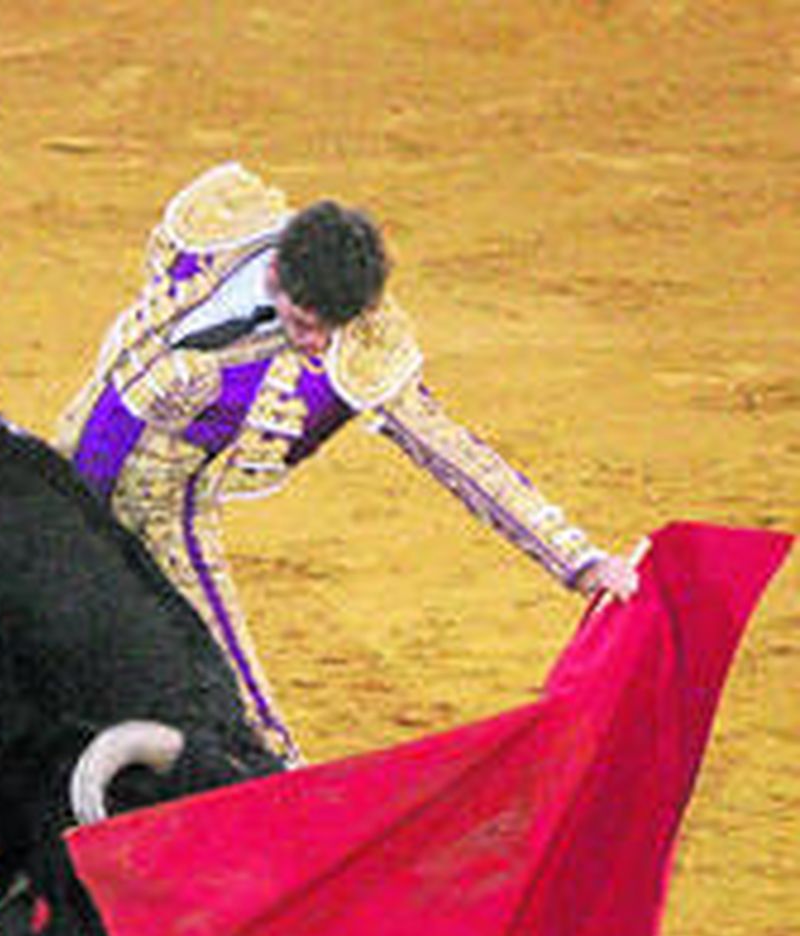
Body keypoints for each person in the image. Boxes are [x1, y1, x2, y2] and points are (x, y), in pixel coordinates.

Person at [56, 162, 639, 766]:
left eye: (330, 330)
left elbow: (455, 455)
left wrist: (579, 559)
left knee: (240, 710)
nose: (317, 345)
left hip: (161, 518)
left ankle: (278, 815)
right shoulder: (215, 226)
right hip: (58, 477)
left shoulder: (357, 354)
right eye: (307, 325)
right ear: (277, 272)